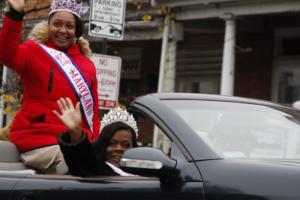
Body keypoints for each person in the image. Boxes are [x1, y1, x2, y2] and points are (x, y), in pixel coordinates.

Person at [0, 0, 100, 174]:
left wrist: (96, 143)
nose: (62, 30)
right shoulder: (33, 51)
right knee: (73, 163)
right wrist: (15, 14)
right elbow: (6, 55)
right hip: (38, 139)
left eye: (69, 26)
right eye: (57, 24)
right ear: (48, 26)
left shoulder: (87, 65)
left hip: (76, 139)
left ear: (77, 31)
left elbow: (93, 113)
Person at [54, 97, 138, 176]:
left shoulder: (142, 175)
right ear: (103, 145)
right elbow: (85, 160)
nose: (119, 149)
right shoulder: (97, 170)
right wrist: (76, 132)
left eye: (126, 145)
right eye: (112, 143)